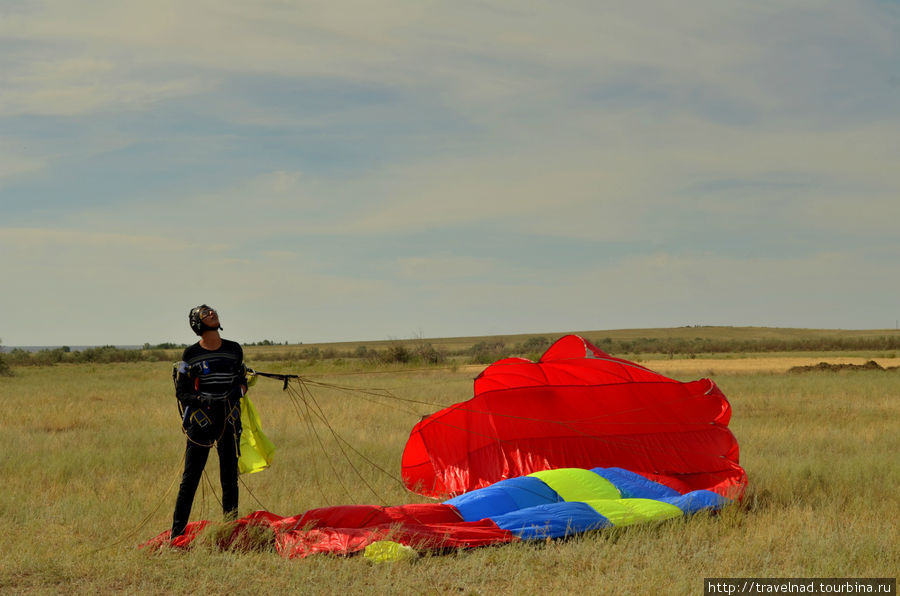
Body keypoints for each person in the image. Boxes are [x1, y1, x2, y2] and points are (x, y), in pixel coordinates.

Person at [170, 304, 247, 539]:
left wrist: (237, 392)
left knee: (229, 479)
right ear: (198, 324)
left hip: (228, 419)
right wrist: (201, 400)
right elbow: (182, 392)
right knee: (190, 480)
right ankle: (177, 536)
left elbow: (242, 382)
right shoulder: (190, 355)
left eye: (212, 311)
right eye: (205, 313)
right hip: (201, 421)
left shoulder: (234, 350)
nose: (212, 314)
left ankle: (230, 533)